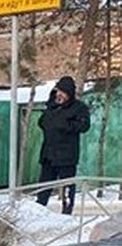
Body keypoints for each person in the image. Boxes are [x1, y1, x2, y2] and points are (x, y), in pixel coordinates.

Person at [36, 75, 90, 215]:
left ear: (69, 93)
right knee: (44, 185)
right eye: (58, 91)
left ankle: (67, 212)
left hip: (66, 156)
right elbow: (42, 122)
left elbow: (84, 126)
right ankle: (38, 210)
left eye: (63, 92)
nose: (59, 95)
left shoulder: (78, 108)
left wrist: (66, 125)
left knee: (67, 186)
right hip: (48, 154)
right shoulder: (51, 107)